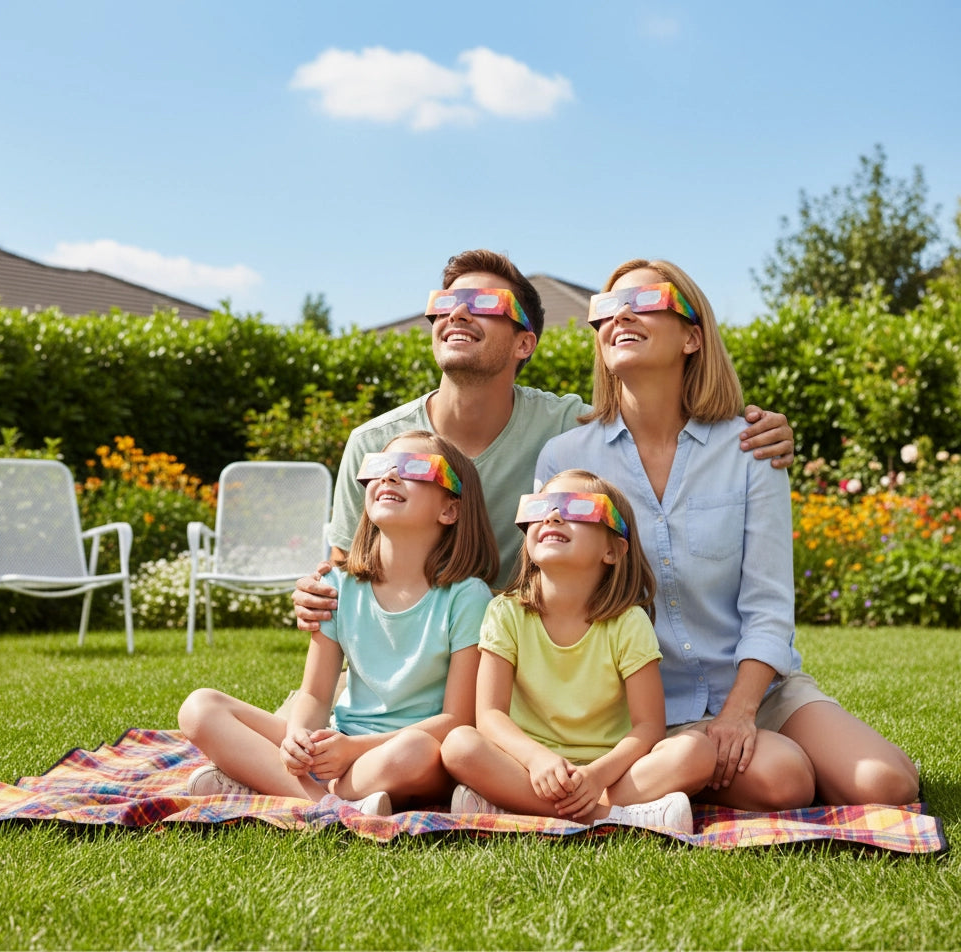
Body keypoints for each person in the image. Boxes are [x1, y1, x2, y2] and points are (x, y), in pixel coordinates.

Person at [536, 258, 920, 809]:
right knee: (784, 783)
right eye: (606, 311)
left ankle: (751, 751)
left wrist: (740, 712)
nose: (621, 316)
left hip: (759, 689)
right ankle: (654, 780)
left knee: (889, 785)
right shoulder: (565, 459)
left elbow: (768, 604)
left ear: (693, 337)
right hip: (646, 712)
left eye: (644, 303)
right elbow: (558, 599)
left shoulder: (752, 448)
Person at [294, 248, 794, 621]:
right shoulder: (374, 446)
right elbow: (346, 577)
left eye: (485, 304)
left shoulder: (566, 429)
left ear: (525, 342)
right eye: (445, 302)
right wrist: (316, 594)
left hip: (504, 662)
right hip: (398, 657)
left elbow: (649, 415)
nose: (458, 313)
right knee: (291, 733)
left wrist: (758, 428)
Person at [178, 430, 498, 813]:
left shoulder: (467, 596)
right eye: (379, 467)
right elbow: (313, 695)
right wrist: (299, 737)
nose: (390, 477)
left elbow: (456, 720)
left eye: (414, 469)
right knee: (200, 708)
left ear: (450, 509)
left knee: (409, 753)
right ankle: (332, 804)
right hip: (339, 742)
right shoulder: (337, 585)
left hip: (410, 752)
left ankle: (270, 783)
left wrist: (355, 750)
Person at [441, 470, 716, 832]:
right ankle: (613, 817)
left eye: (578, 509)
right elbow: (490, 715)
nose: (553, 517)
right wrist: (538, 760)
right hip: (527, 764)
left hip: (612, 771)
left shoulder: (628, 622)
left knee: (696, 751)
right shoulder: (505, 612)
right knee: (459, 745)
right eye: (542, 508)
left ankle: (514, 805)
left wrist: (597, 776)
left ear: (613, 549)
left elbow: (649, 726)